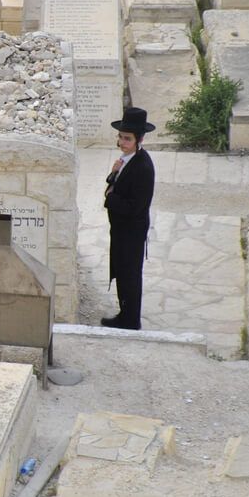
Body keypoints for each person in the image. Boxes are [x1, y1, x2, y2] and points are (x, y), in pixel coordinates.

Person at [101, 107, 155, 331]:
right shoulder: (127, 160)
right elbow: (115, 184)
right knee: (122, 273)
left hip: (131, 232)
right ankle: (125, 314)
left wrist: (109, 198)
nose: (122, 142)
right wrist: (113, 175)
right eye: (120, 137)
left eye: (127, 138)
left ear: (139, 139)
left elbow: (135, 207)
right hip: (122, 230)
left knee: (130, 276)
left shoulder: (142, 167)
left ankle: (131, 321)